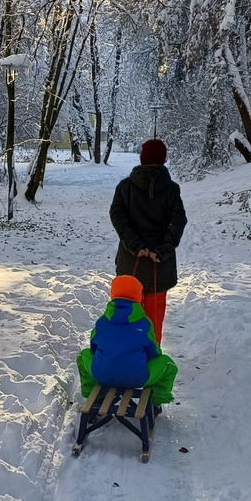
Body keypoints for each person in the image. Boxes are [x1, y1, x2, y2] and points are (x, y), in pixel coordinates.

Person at [109, 138, 187, 343]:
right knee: (153, 324)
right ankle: (150, 368)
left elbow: (118, 217)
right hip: (159, 267)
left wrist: (135, 245)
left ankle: (122, 363)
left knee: (124, 318)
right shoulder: (171, 189)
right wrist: (161, 250)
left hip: (129, 264)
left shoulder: (125, 187)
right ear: (164, 159)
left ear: (142, 158)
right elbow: (178, 223)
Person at [76, 274, 177, 407]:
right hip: (137, 378)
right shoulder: (144, 323)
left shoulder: (102, 322)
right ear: (138, 296)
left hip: (102, 375)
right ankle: (156, 401)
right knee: (168, 365)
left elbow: (93, 349)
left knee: (82, 356)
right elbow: (154, 352)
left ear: (112, 294)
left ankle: (95, 397)